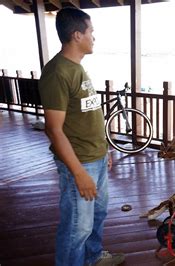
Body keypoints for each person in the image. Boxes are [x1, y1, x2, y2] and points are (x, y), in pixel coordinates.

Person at [38, 7, 124, 266]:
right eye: (91, 32)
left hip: (95, 157)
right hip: (79, 163)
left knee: (97, 216)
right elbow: (53, 129)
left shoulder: (76, 69)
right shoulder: (58, 72)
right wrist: (78, 173)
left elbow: (86, 117)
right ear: (77, 35)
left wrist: (104, 150)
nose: (94, 37)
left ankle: (94, 257)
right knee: (77, 229)